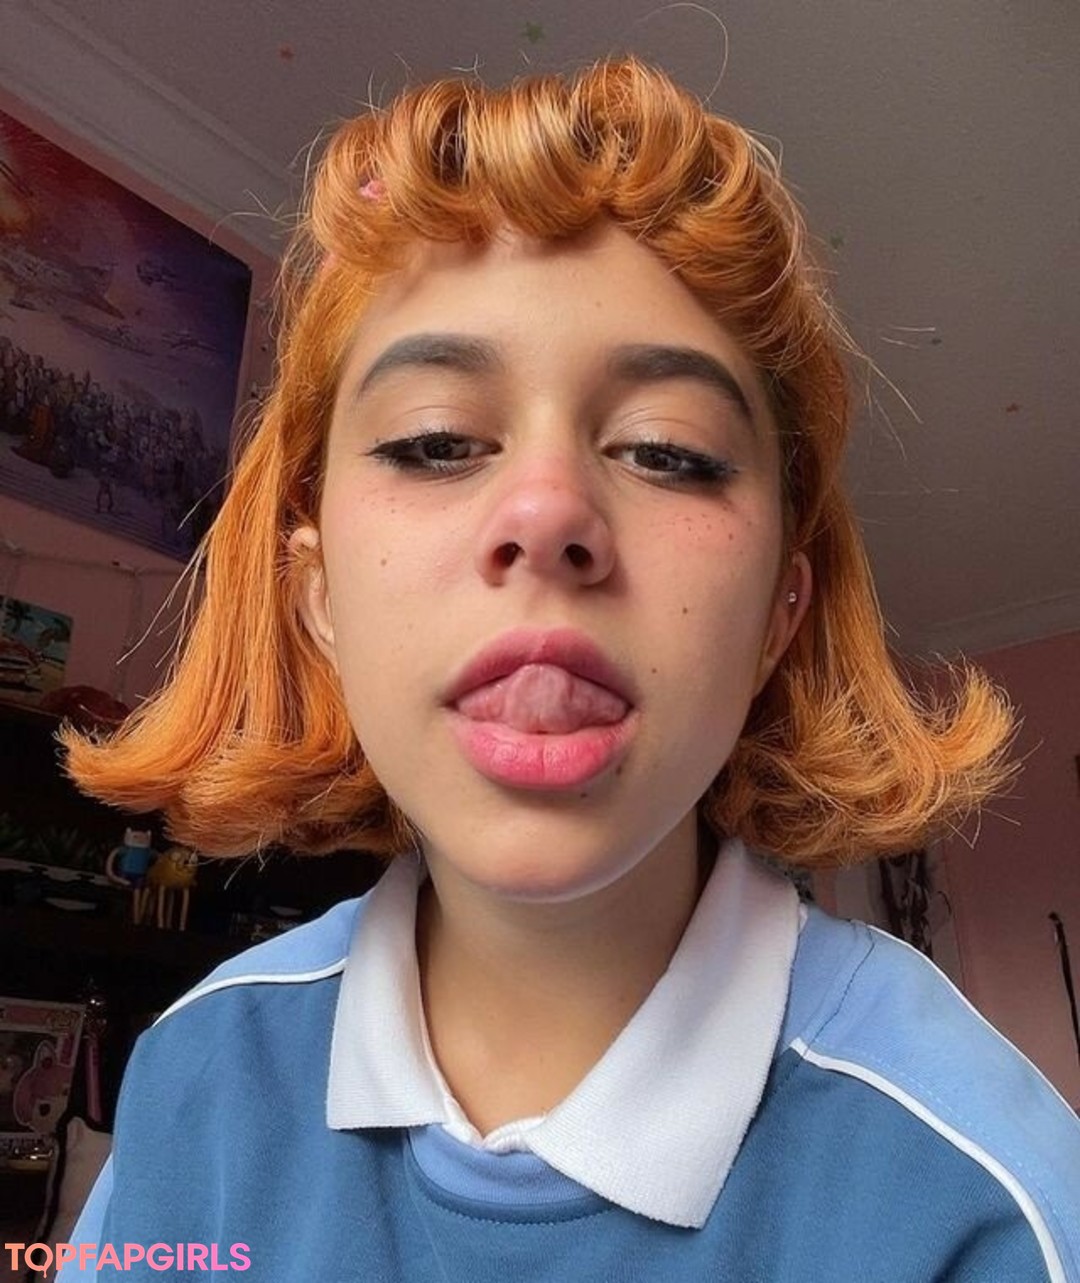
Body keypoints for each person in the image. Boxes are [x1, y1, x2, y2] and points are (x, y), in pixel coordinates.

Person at [58, 57, 1079, 1281]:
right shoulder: (193, 1078)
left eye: (667, 450)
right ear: (317, 594)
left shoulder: (987, 1197)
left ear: (779, 613)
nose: (546, 513)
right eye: (437, 439)